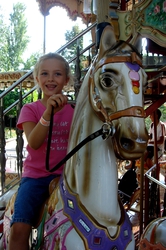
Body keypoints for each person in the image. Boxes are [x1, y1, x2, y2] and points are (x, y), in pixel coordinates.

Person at [9, 52, 74, 250]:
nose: (51, 79)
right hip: (37, 177)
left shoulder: (74, 110)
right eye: (45, 74)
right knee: (20, 227)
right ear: (37, 79)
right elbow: (34, 142)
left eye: (57, 74)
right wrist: (48, 114)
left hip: (69, 177)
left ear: (67, 79)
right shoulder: (31, 109)